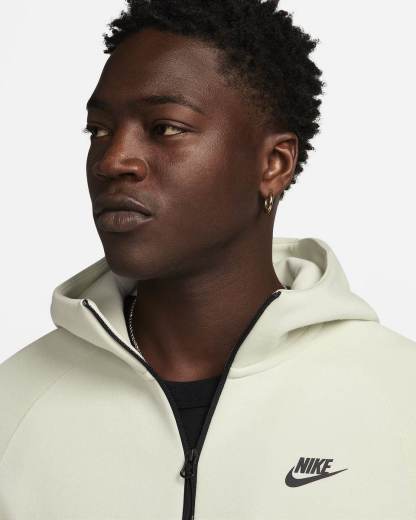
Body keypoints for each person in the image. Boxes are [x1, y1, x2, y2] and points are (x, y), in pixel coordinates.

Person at [1, 0, 415, 518]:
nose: (113, 161)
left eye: (166, 127)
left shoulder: (401, 396)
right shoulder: (14, 406)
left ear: (274, 164)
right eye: (99, 130)